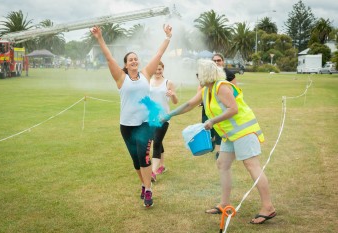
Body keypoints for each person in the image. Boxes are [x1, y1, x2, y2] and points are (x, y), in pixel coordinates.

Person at [163, 59, 276, 224]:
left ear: (206, 75)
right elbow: (188, 104)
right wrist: (169, 115)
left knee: (252, 166)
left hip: (244, 131)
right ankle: (224, 203)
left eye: (198, 74)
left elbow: (233, 109)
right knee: (222, 164)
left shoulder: (221, 86)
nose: (197, 77)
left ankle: (268, 207)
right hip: (230, 134)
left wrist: (213, 121)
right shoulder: (206, 90)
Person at [90, 24, 172, 208]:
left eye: (136, 59)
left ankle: (149, 191)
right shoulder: (121, 78)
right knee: (136, 160)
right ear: (126, 64)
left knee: (144, 157)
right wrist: (100, 38)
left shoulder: (145, 74)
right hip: (126, 126)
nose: (134, 61)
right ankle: (143, 184)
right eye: (130, 60)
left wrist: (167, 37)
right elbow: (108, 57)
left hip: (144, 124)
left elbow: (158, 55)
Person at [150, 61, 178, 182]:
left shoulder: (168, 83)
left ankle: (153, 172)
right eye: (155, 70)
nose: (157, 72)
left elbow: (175, 101)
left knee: (156, 142)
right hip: (151, 118)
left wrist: (172, 95)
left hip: (164, 117)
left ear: (163, 69)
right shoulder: (149, 81)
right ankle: (162, 166)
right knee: (157, 140)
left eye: (160, 69)